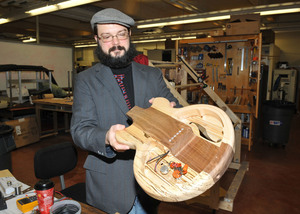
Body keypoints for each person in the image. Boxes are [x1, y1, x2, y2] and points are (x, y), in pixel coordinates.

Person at [70, 8, 180, 214]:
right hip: (109, 184)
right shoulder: (86, 80)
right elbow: (80, 130)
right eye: (107, 37)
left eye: (121, 34)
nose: (115, 43)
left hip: (151, 178)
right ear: (96, 39)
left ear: (129, 35)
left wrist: (171, 112)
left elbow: (176, 108)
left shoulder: (151, 74)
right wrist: (106, 137)